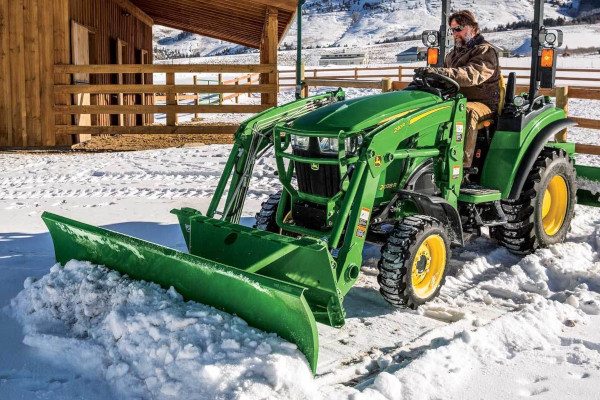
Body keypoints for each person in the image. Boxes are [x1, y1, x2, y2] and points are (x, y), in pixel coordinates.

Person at [417, 10, 502, 169]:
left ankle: (461, 168)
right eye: (452, 30)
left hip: (482, 103)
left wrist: (440, 72)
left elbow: (471, 75)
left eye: (458, 29)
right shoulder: (452, 55)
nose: (454, 33)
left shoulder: (485, 51)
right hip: (456, 99)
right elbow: (444, 79)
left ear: (473, 28)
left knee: (465, 112)